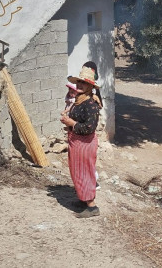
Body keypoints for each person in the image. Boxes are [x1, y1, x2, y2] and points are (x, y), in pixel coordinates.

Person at [60, 65, 101, 218]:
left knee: (85, 172)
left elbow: (90, 127)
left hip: (85, 144)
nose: (80, 85)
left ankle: (92, 206)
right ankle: (83, 199)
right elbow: (77, 120)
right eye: (79, 82)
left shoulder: (91, 104)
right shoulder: (79, 101)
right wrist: (68, 122)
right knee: (77, 172)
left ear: (90, 86)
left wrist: (72, 123)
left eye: (84, 83)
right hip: (76, 142)